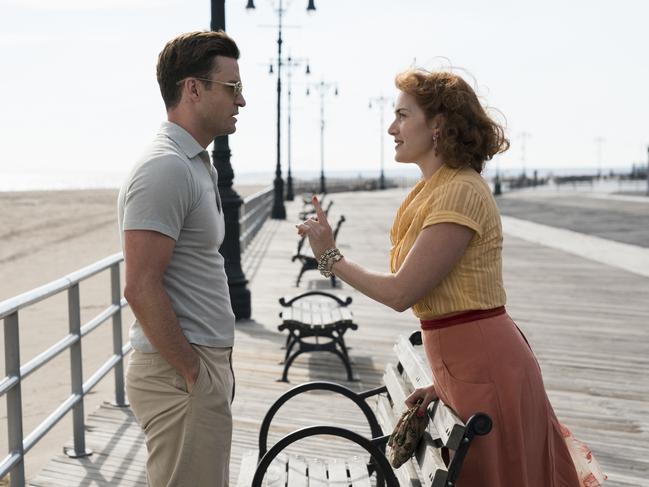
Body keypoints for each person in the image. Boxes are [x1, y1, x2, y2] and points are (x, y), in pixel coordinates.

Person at [297, 68, 582, 486]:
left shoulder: (460, 191)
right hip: (464, 363)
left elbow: (401, 292)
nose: (391, 127)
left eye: (402, 115)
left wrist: (329, 258)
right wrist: (441, 385)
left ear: (437, 125)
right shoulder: (433, 189)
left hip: (483, 363)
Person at [117, 31, 246, 486]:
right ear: (193, 88)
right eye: (232, 88)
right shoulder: (165, 167)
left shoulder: (193, 163)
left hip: (199, 368)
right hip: (180, 376)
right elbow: (139, 286)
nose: (242, 100)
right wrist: (193, 371)